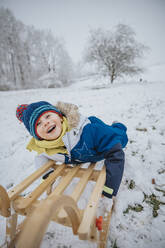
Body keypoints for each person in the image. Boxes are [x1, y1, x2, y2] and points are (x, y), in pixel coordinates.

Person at [16, 101, 128, 211]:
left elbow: (116, 154)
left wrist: (109, 189)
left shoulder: (88, 131)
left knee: (120, 136)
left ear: (60, 117)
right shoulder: (47, 148)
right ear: (37, 135)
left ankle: (118, 125)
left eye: (48, 116)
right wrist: (48, 177)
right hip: (82, 154)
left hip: (97, 135)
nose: (46, 123)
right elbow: (40, 157)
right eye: (38, 124)